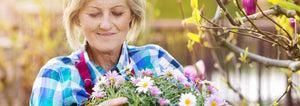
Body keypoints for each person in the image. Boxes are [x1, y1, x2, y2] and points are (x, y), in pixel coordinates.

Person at [30, 0, 184, 105]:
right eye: (94, 14)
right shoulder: (56, 74)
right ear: (77, 17)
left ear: (131, 15)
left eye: (117, 13)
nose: (105, 25)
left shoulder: (155, 60)